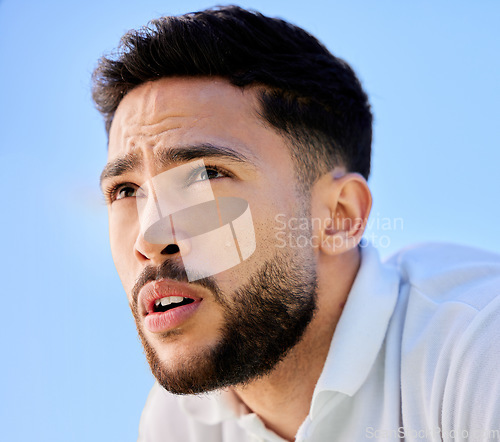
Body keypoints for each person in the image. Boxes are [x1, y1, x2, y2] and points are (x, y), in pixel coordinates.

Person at [93, 5, 500, 441]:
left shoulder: (476, 351)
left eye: (206, 176)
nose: (149, 238)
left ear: (339, 216)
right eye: (126, 190)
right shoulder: (178, 423)